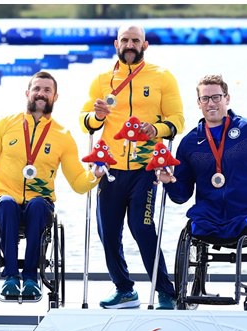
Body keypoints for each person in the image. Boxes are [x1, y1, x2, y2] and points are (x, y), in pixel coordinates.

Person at [0, 71, 99, 302]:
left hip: (40, 204)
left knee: (39, 204)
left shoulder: (63, 135)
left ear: (55, 97)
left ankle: (31, 277)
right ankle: (9, 276)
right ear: (27, 93)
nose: (41, 94)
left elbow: (78, 182)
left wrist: (96, 174)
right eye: (37, 88)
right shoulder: (4, 125)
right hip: (4, 201)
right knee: (8, 204)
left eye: (47, 90)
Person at [80, 25, 184, 309]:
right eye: (125, 40)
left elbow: (178, 120)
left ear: (145, 45)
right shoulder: (102, 79)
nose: (129, 44)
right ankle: (124, 289)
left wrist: (156, 128)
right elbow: (85, 121)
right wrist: (96, 117)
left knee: (142, 227)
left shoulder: (162, 77)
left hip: (145, 168)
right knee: (107, 231)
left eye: (135, 40)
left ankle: (165, 291)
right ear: (116, 43)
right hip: (111, 168)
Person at [157, 74, 247, 246]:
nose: (211, 103)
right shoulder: (190, 143)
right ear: (198, 103)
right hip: (207, 217)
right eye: (204, 98)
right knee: (193, 227)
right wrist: (170, 181)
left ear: (227, 98)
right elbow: (182, 196)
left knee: (245, 222)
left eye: (216, 97)